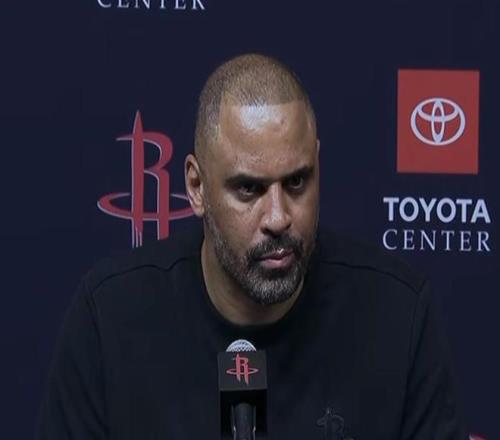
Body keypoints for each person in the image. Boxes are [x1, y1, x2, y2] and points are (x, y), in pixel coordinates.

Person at [37, 54, 467, 440]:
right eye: (249, 189)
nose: (278, 218)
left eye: (296, 181)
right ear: (196, 186)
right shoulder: (110, 318)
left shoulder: (398, 314)